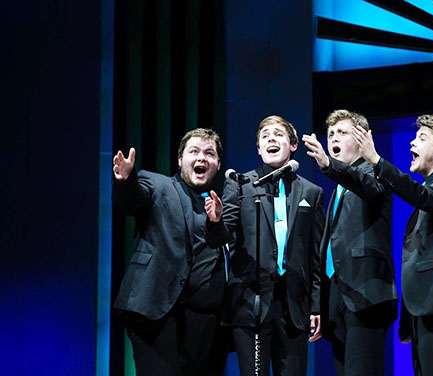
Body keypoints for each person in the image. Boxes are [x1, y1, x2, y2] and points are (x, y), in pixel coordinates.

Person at [352, 115, 433, 376]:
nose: (412, 143)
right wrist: (407, 318)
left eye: (422, 138)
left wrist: (376, 161)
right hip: (425, 310)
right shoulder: (431, 188)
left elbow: (422, 197)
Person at [112, 128, 229, 376]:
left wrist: (216, 222)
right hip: (158, 315)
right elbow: (132, 200)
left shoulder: (220, 206)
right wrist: (125, 181)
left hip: (207, 326)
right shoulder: (157, 184)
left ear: (218, 164)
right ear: (180, 160)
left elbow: (221, 245)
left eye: (209, 153)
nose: (201, 158)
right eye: (194, 151)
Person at [221, 115, 325, 375]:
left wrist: (315, 304)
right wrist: (214, 222)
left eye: (278, 134)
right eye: (265, 136)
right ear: (258, 149)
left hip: (293, 306)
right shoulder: (240, 185)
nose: (271, 139)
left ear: (292, 146)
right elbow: (222, 235)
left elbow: (315, 254)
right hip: (251, 302)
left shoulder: (311, 193)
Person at [302, 109, 398, 376]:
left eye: (342, 132)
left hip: (365, 294)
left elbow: (370, 188)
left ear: (362, 138)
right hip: (338, 297)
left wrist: (329, 167)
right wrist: (320, 305)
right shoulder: (338, 189)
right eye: (331, 133)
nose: (334, 137)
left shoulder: (375, 172)